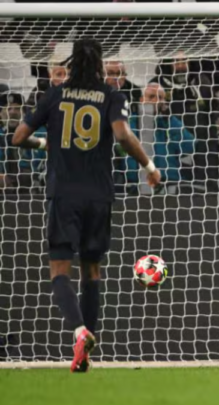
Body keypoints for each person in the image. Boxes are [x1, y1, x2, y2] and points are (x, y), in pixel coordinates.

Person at [11, 38, 161, 373]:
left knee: (59, 270)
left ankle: (79, 333)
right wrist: (150, 167)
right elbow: (122, 135)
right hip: (99, 195)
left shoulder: (54, 94)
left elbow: (18, 137)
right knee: (92, 270)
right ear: (99, 65)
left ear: (72, 63)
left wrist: (45, 143)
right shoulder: (111, 95)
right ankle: (86, 353)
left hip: (64, 194)